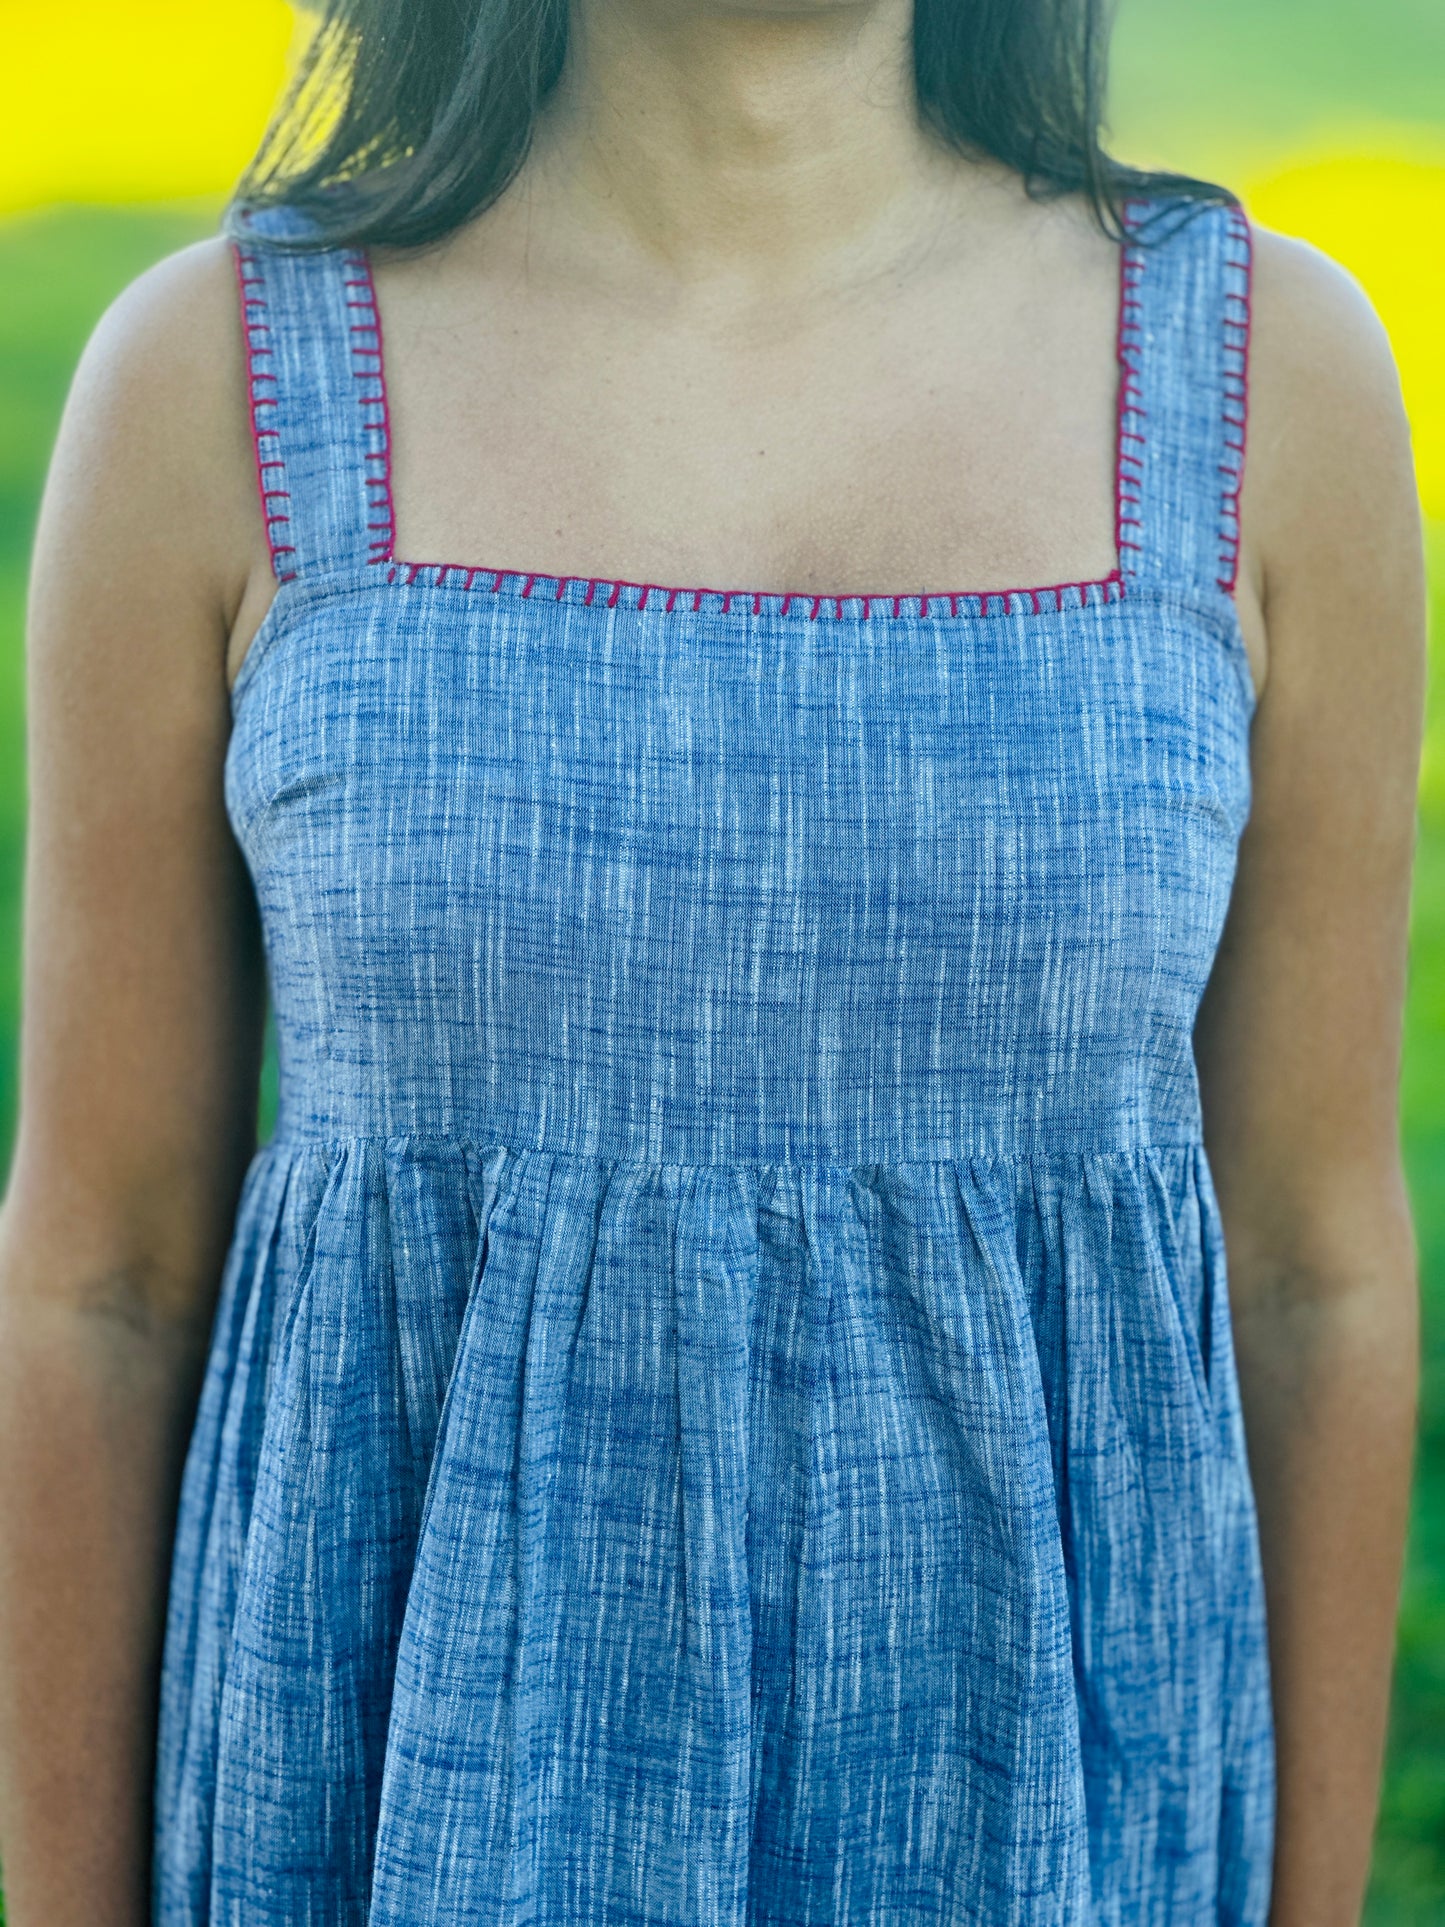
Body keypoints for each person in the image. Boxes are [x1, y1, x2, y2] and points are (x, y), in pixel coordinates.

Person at [0, 0, 1426, 1921]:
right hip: (384, 1828)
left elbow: (1312, 1266)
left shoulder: (1264, 382)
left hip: (1047, 1834)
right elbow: (105, 1278)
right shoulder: (219, 382)